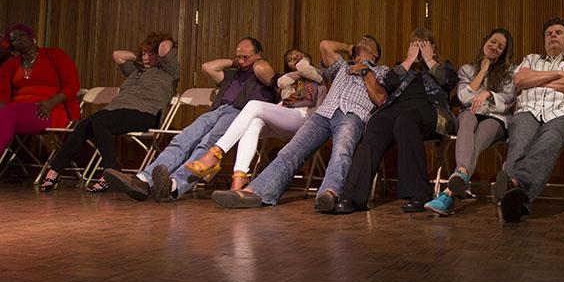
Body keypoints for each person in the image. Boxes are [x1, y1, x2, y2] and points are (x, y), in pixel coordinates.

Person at [211, 35, 387, 210]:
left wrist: (365, 71)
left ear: (375, 54)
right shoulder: (343, 67)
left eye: (369, 40)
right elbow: (325, 45)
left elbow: (380, 98)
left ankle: (329, 193)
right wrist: (349, 48)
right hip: (323, 112)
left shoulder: (381, 71)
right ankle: (255, 191)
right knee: (291, 151)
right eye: (361, 38)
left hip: (352, 113)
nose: (363, 38)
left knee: (341, 151)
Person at [103, 37, 275, 201]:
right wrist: (234, 62)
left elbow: (265, 72)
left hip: (239, 114)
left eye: (245, 57)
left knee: (206, 145)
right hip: (217, 110)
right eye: (238, 56)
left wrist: (257, 61)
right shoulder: (233, 74)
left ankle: (174, 186)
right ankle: (144, 181)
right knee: (182, 139)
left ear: (258, 55)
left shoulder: (263, 72)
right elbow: (207, 67)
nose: (241, 61)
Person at [331, 27, 458, 214]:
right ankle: (351, 197)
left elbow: (449, 81)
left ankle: (419, 193)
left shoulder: (443, 66)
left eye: (423, 44)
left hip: (430, 110)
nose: (419, 48)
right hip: (397, 108)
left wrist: (429, 60)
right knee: (376, 124)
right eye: (414, 44)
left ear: (433, 48)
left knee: (406, 121)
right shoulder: (402, 67)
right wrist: (408, 61)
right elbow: (387, 83)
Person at [40, 33, 179, 192]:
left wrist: (162, 43)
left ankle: (109, 173)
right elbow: (117, 55)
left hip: (145, 113)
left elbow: (165, 47)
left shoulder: (169, 71)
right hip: (116, 110)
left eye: (150, 54)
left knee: (100, 122)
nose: (146, 57)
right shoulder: (136, 70)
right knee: (84, 125)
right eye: (143, 53)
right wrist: (140, 57)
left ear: (160, 55)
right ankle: (55, 171)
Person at [493, 18, 564, 223]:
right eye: (549, 34)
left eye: (558, 33)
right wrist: (556, 75)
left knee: (551, 136)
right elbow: (519, 80)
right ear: (544, 40)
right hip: (529, 111)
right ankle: (515, 202)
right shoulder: (530, 59)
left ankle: (515, 186)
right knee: (519, 137)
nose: (553, 36)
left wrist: (537, 80)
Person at [185, 48, 323, 191]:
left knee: (253, 105)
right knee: (253, 123)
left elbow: (305, 70)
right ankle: (239, 177)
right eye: (290, 59)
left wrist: (301, 63)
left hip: (305, 118)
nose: (295, 60)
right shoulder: (289, 79)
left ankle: (215, 154)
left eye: (298, 57)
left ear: (308, 59)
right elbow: (282, 83)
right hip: (286, 116)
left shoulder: (318, 74)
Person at [0, 25, 80, 191]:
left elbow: (72, 85)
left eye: (20, 36)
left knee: (7, 113)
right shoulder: (10, 65)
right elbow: (1, 93)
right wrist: (0, 108)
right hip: (13, 111)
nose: (17, 40)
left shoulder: (55, 55)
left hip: (47, 109)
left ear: (32, 37)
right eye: (13, 39)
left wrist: (51, 103)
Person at [424, 28, 516, 216]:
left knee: (480, 133)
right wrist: (483, 70)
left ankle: (450, 191)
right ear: (485, 41)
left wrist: (488, 93)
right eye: (492, 41)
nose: (495, 47)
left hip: (495, 119)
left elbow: (508, 101)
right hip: (470, 117)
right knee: (465, 116)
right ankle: (460, 177)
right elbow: (464, 98)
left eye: (500, 46)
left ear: (504, 52)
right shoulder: (467, 69)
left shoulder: (510, 72)